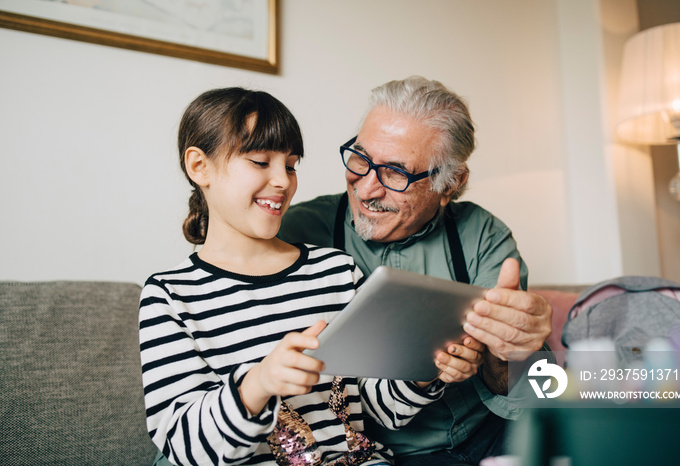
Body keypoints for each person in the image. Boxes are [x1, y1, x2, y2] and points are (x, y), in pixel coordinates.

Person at [139, 87, 485, 466]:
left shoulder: (335, 272)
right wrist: (258, 383)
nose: (283, 181)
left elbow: (375, 408)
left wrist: (426, 369)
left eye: (290, 165)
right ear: (199, 166)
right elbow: (184, 447)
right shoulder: (170, 296)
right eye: (259, 161)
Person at [278, 76, 553, 465]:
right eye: (360, 159)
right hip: (376, 451)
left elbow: (531, 388)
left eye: (395, 173)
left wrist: (511, 350)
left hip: (488, 432)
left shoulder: (483, 236)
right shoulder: (297, 232)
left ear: (450, 183)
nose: (367, 189)